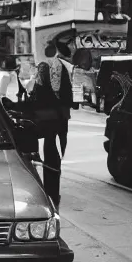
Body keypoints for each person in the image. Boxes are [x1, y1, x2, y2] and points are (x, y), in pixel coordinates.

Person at [30, 44, 74, 211]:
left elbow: (38, 90)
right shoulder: (63, 66)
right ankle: (54, 190)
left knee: (45, 149)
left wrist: (31, 103)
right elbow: (68, 91)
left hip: (46, 115)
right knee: (54, 148)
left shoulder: (43, 66)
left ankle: (48, 190)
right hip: (61, 115)